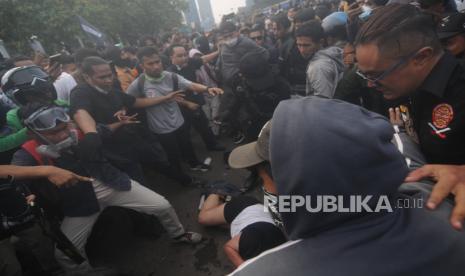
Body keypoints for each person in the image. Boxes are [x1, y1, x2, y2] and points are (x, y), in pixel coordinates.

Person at [230, 96, 465, 276]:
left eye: (264, 177)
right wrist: (398, 131)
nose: (266, 188)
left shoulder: (268, 270)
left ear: (294, 185)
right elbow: (412, 165)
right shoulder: (435, 198)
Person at [12, 105, 202, 274]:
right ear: (33, 134)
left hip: (112, 183)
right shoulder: (27, 152)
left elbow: (103, 129)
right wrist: (46, 170)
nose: (62, 135)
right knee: (64, 253)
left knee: (162, 205)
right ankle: (85, 272)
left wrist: (119, 123)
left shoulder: (78, 131)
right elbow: (8, 171)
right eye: (54, 133)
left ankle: (178, 234)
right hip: (79, 204)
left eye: (64, 128)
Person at [355, 4, 465, 230]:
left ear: (421, 58)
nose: (370, 84)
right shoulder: (404, 90)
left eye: (377, 75)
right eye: (365, 75)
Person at [70, 56, 197, 186]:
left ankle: (188, 181)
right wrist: (91, 134)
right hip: (115, 151)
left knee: (160, 162)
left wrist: (165, 98)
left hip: (132, 139)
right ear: (86, 77)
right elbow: (80, 112)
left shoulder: (112, 90)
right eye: (102, 77)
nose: (108, 80)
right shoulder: (81, 92)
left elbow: (135, 102)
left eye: (110, 75)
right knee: (137, 180)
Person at [126, 47, 223, 175]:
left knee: (187, 145)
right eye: (150, 64)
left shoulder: (171, 76)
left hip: (179, 120)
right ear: (142, 65)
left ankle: (194, 164)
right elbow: (131, 102)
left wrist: (208, 88)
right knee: (172, 154)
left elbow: (191, 84)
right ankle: (182, 177)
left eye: (157, 62)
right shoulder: (138, 84)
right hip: (160, 127)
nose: (155, 66)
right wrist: (164, 98)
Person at [0, 165, 91, 276]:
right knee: (11, 269)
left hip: (22, 216)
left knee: (49, 254)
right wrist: (49, 170)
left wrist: (29, 195)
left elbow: (14, 176)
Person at [198, 194, 285, 268]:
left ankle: (225, 204)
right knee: (203, 218)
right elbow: (229, 247)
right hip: (242, 207)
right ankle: (216, 192)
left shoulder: (282, 247)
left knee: (223, 225)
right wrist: (244, 268)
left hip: (256, 214)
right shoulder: (249, 240)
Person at [166, 45, 224, 151]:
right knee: (184, 133)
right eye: (180, 56)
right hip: (180, 108)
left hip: (195, 102)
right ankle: (188, 157)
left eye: (185, 55)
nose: (184, 58)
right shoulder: (169, 74)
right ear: (171, 57)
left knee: (204, 125)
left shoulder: (190, 63)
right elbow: (170, 96)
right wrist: (187, 103)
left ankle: (212, 145)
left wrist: (219, 51)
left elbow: (204, 59)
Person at [295, 21, 345, 98]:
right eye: (299, 45)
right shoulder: (331, 54)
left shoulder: (318, 67)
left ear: (321, 42)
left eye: (306, 45)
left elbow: (322, 102)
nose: (302, 50)